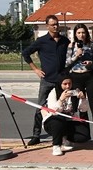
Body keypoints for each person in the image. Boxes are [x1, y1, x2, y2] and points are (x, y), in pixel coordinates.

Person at [23, 15, 69, 146]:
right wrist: (35, 69)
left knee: (63, 108)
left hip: (60, 81)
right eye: (52, 24)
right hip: (47, 80)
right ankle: (36, 135)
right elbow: (26, 53)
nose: (55, 27)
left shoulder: (64, 41)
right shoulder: (41, 41)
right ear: (47, 26)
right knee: (40, 107)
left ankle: (63, 134)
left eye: (57, 24)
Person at [66, 24, 93, 142]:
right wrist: (76, 56)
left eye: (83, 33)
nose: (81, 35)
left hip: (89, 77)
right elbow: (66, 63)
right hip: (75, 77)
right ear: (75, 34)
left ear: (86, 33)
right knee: (79, 107)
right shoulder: (71, 46)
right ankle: (84, 135)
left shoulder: (91, 45)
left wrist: (91, 63)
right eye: (79, 33)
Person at [44, 75, 88, 156]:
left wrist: (83, 99)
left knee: (84, 135)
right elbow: (53, 112)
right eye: (65, 84)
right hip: (53, 121)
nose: (67, 86)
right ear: (60, 84)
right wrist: (61, 99)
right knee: (58, 119)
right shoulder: (54, 93)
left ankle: (66, 139)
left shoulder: (75, 92)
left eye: (69, 83)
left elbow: (83, 109)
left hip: (69, 121)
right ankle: (56, 145)